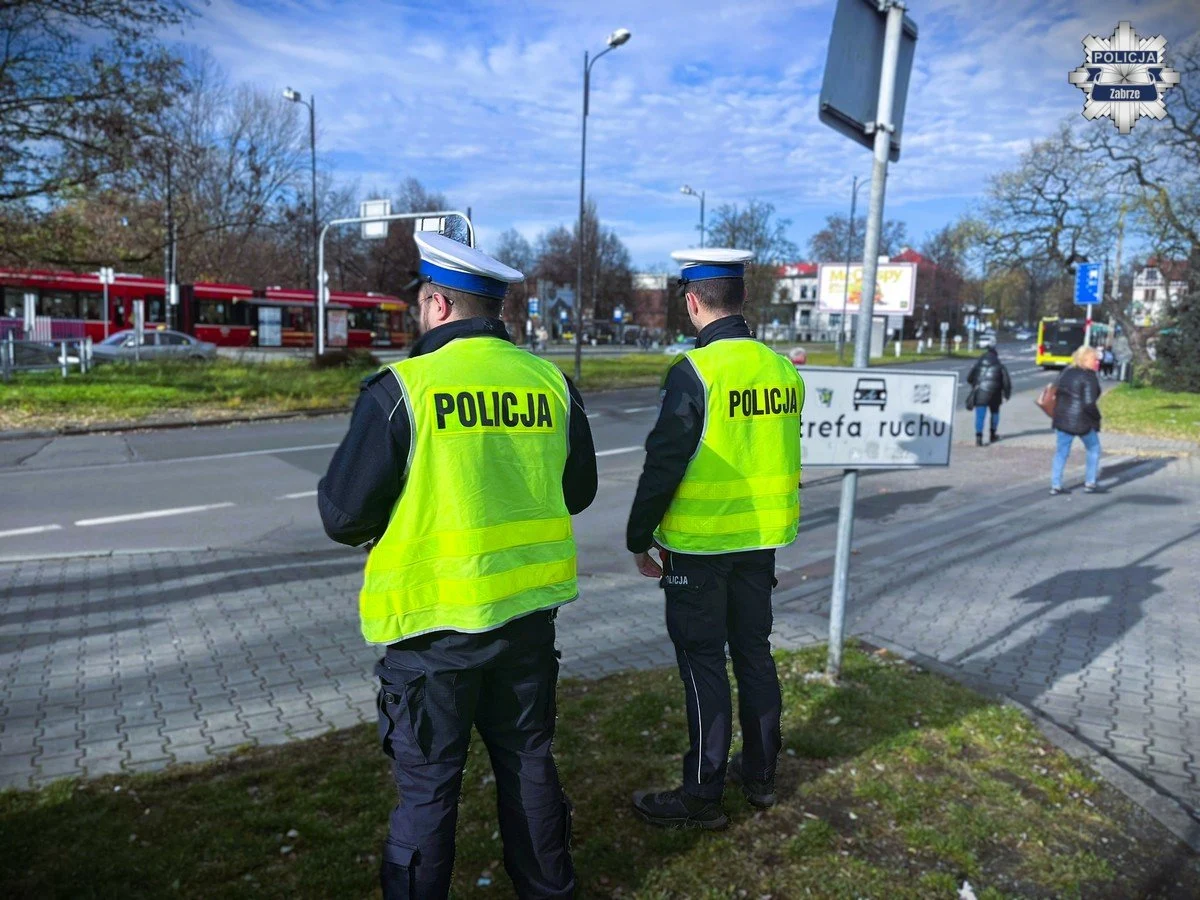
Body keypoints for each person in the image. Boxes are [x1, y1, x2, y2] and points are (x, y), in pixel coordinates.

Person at [318, 232, 598, 899]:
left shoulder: (403, 390)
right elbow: (578, 491)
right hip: (526, 622)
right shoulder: (551, 383)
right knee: (529, 765)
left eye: (421, 303)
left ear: (438, 305)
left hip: (432, 633)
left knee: (429, 791)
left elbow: (343, 515)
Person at [625, 248, 805, 829]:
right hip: (759, 545)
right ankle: (760, 777)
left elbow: (663, 465)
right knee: (754, 656)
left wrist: (638, 537)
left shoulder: (694, 372)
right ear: (743, 299)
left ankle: (702, 795)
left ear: (692, 301)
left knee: (704, 666)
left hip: (700, 552)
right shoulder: (782, 370)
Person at [1050, 345, 1103, 495]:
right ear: (1085, 359)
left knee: (1061, 452)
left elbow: (1057, 392)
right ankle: (1090, 482)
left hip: (1062, 418)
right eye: (1094, 358)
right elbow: (1088, 403)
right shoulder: (1089, 377)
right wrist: (1097, 417)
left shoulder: (1066, 373)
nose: (1097, 361)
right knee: (1093, 448)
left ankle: (1055, 484)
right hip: (1083, 421)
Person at [965, 341, 1012, 445]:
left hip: (980, 393)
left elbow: (969, 379)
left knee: (980, 416)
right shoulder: (1000, 366)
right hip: (995, 394)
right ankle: (992, 434)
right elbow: (1006, 383)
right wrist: (1007, 395)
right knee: (995, 414)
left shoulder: (978, 365)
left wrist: (976, 383)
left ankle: (978, 438)